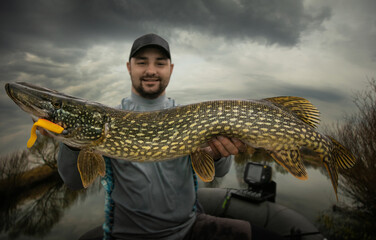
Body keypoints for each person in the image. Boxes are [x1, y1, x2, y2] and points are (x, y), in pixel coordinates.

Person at [56, 33, 252, 240]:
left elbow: (219, 172)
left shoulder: (189, 116)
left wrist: (217, 155)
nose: (151, 70)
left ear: (171, 69)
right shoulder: (104, 120)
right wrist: (72, 144)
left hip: (189, 228)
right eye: (142, 63)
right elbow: (74, 182)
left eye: (159, 63)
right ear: (129, 67)